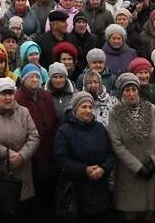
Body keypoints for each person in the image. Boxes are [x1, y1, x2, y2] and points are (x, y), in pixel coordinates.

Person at [0, 77, 40, 221]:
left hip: (21, 174)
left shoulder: (24, 112)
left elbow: (34, 137)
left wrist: (22, 156)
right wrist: (6, 153)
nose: (8, 97)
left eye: (10, 93)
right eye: (3, 94)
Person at [107, 73, 155, 221]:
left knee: (149, 214)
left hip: (151, 172)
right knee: (129, 215)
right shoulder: (115, 112)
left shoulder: (150, 108)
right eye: (127, 90)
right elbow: (117, 144)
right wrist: (138, 167)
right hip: (128, 175)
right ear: (121, 92)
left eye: (134, 89)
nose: (131, 94)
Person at [53, 90, 115, 222]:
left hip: (100, 192)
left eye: (90, 107)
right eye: (83, 107)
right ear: (75, 109)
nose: (88, 110)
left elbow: (110, 154)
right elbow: (61, 161)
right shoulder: (64, 131)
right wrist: (84, 170)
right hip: (76, 194)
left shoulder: (99, 128)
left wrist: (103, 168)